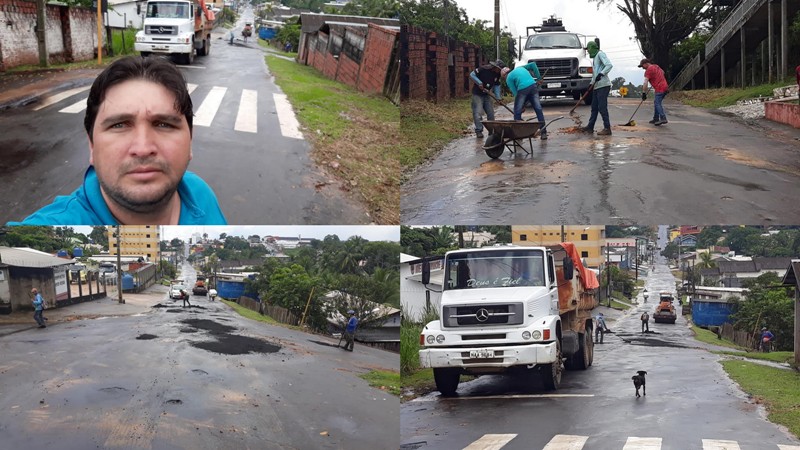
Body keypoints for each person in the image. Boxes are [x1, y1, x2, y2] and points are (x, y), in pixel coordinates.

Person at [10, 56, 227, 226]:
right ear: (92, 146)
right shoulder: (49, 230)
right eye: (119, 125)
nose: (143, 149)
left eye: (164, 124)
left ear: (190, 141)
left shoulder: (199, 192)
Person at [501, 61, 548, 140]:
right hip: (533, 87)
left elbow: (515, 92)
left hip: (522, 89)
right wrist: (539, 78)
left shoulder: (508, 78)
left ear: (504, 75)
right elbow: (533, 64)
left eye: (503, 77)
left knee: (517, 111)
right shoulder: (520, 68)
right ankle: (544, 133)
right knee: (538, 109)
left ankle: (518, 134)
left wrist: (521, 106)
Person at [580, 40, 614, 136]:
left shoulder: (600, 54)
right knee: (594, 107)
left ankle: (607, 128)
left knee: (602, 107)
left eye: (589, 49)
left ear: (592, 48)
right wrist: (591, 84)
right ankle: (590, 127)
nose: (588, 51)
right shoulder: (595, 58)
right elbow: (595, 74)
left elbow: (609, 65)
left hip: (603, 85)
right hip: (597, 86)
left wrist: (602, 74)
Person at [469, 59, 505, 138]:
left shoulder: (497, 74)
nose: (499, 71)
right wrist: (479, 83)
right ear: (495, 67)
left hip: (487, 94)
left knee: (491, 113)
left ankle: (491, 131)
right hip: (477, 94)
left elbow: (496, 86)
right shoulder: (483, 69)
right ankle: (479, 131)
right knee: (477, 112)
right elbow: (472, 74)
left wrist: (498, 98)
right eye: (499, 69)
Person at [639, 58, 669, 126]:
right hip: (665, 87)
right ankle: (656, 118)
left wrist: (644, 93)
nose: (643, 68)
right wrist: (656, 79)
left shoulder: (648, 70)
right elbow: (663, 72)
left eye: (642, 66)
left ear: (646, 63)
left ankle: (663, 118)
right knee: (656, 102)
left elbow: (645, 82)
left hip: (659, 88)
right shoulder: (656, 66)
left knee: (657, 103)